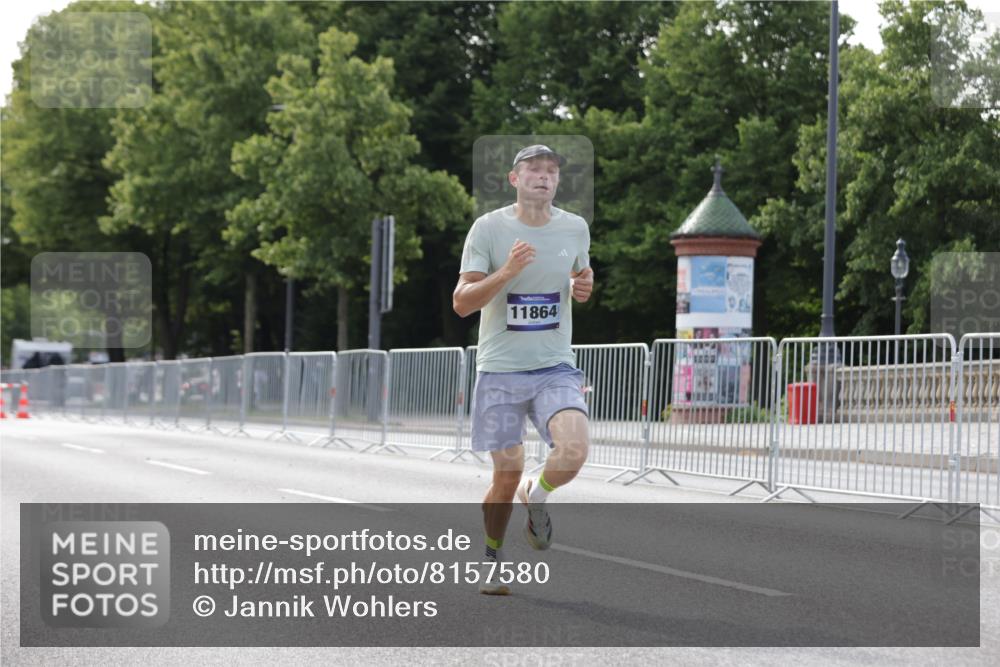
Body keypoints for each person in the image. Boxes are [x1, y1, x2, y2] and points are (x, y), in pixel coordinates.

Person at [453, 144, 594, 595]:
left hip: (555, 367)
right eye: (534, 169)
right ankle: (491, 559)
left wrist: (583, 285)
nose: (544, 176)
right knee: (506, 474)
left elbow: (578, 276)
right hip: (500, 371)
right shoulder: (489, 228)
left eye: (552, 170)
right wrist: (508, 271)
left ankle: (538, 495)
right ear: (514, 179)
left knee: (574, 451)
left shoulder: (575, 227)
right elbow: (462, 302)